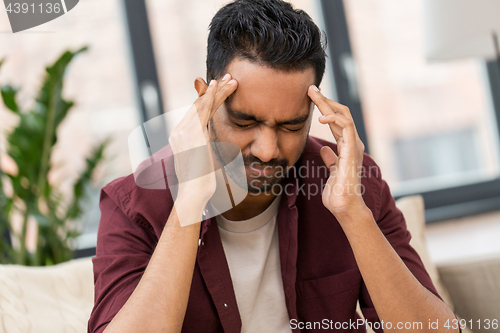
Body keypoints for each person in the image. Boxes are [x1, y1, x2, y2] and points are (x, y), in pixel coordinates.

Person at [88, 1, 459, 332]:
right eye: (245, 123)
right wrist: (190, 199)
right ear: (206, 99)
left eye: (291, 125)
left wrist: (353, 216)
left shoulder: (346, 178)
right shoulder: (134, 202)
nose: (267, 150)